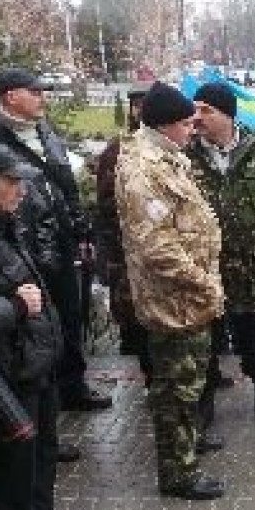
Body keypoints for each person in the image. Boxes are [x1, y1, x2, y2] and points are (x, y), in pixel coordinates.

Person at [115, 82, 226, 500]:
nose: (193, 131)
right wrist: (203, 281)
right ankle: (179, 474)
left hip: (188, 298)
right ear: (165, 127)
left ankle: (187, 448)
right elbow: (156, 247)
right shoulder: (143, 169)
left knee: (189, 383)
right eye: (186, 124)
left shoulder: (167, 157)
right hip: (173, 299)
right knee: (175, 389)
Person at [0, 144, 91, 510]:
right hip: (6, 366)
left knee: (43, 448)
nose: (20, 191)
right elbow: (13, 301)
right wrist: (14, 307)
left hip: (35, 358)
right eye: (10, 182)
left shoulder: (7, 225)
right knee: (14, 457)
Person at [0, 67, 112, 413]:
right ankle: (44, 408)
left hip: (61, 243)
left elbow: (65, 187)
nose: (43, 98)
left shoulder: (45, 131)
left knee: (70, 319)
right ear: (10, 96)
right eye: (35, 91)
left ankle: (73, 388)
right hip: (23, 252)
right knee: (35, 326)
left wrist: (81, 229)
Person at [186, 82, 255, 427]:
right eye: (195, 109)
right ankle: (203, 409)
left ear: (228, 115)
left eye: (207, 110)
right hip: (205, 268)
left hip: (252, 266)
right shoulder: (185, 157)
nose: (197, 117)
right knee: (204, 341)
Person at [95, 82, 153, 386]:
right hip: (129, 253)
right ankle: (150, 376)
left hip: (164, 253)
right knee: (136, 319)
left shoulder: (176, 145)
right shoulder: (118, 150)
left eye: (147, 104)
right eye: (137, 104)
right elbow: (106, 207)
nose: (141, 110)